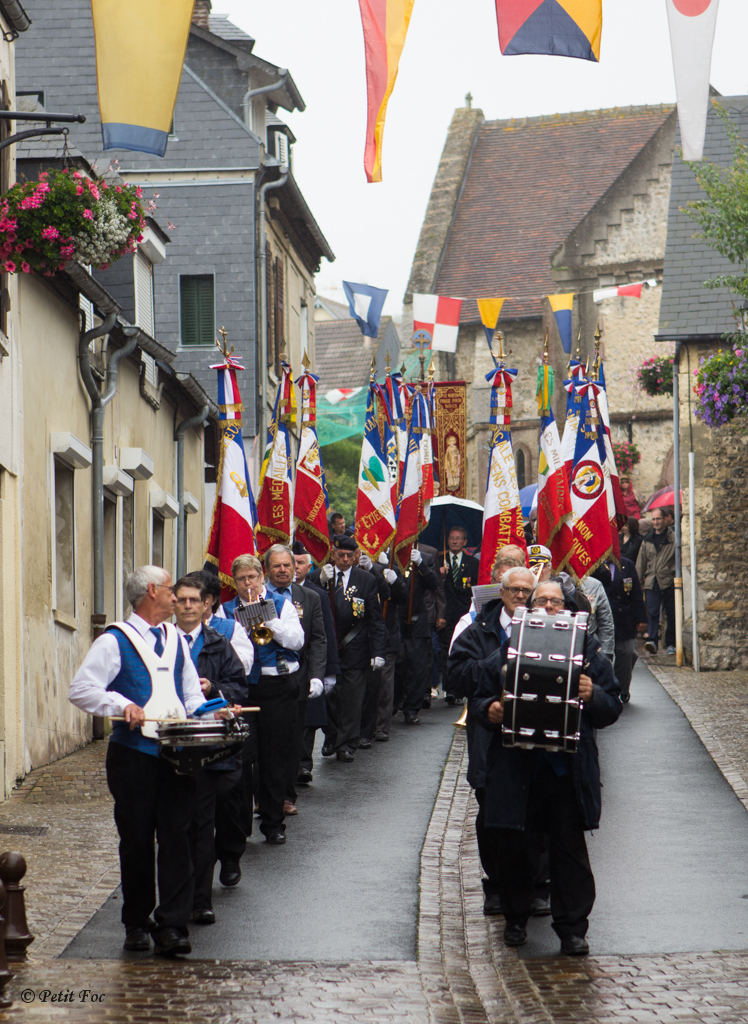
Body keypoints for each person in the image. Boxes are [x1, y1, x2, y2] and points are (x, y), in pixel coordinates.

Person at [69, 566, 222, 957]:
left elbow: (190, 699)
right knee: (136, 840)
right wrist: (122, 704)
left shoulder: (175, 639)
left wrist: (214, 713)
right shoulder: (114, 640)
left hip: (176, 754)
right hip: (132, 757)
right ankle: (136, 922)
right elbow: (82, 689)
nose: (177, 599)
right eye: (171, 591)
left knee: (176, 838)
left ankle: (172, 926)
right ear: (153, 591)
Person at [470, 579, 622, 956]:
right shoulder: (509, 646)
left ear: (568, 609)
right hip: (517, 768)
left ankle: (572, 929)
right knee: (515, 849)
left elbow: (613, 705)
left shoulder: (586, 649)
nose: (549, 608)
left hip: (565, 772)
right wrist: (489, 710)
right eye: (542, 601)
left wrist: (595, 694)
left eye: (556, 602)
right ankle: (516, 919)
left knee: (568, 852)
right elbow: (477, 696)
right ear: (529, 610)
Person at [449, 562, 552, 919]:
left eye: (528, 592)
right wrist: (503, 656)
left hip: (538, 735)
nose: (521, 597)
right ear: (502, 593)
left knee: (539, 810)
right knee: (491, 815)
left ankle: (538, 887)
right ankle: (496, 886)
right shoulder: (478, 628)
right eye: (515, 591)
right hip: (491, 737)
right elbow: (457, 677)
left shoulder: (550, 625)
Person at [172, 576, 247, 923]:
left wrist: (213, 686)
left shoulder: (219, 643)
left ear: (206, 605)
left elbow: (240, 688)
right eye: (181, 600)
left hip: (206, 747)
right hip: (170, 745)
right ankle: (175, 898)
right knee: (174, 828)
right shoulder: (161, 642)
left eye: (194, 600)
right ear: (173, 604)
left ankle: (201, 901)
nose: (187, 606)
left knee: (203, 828)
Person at [223, 552, 305, 844]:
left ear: (262, 578)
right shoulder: (226, 610)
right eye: (242, 579)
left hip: (277, 686)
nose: (248, 584)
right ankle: (240, 823)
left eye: (253, 578)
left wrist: (270, 621)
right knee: (243, 757)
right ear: (235, 582)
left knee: (274, 756)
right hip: (243, 689)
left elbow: (297, 641)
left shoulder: (281, 605)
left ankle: (273, 823)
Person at [319, 534, 387, 761]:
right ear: (333, 554)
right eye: (341, 555)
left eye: (350, 555)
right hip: (327, 647)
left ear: (356, 555)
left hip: (355, 647)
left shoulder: (366, 579)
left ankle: (347, 744)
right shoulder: (322, 576)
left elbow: (375, 619)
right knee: (327, 698)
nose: (345, 559)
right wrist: (318, 581)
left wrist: (378, 651)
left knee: (351, 700)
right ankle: (332, 736)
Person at [293, 546, 340, 786]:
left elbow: (325, 636)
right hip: (284, 668)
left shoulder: (316, 594)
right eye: (292, 562)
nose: (295, 567)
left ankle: (303, 764)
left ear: (309, 567)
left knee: (309, 718)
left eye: (300, 562)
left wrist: (327, 672)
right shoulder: (270, 594)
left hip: (309, 666)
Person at [361, 552, 408, 743]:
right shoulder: (355, 570)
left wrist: (395, 581)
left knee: (384, 685)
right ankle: (363, 725)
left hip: (387, 636)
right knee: (363, 685)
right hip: (362, 638)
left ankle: (381, 726)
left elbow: (402, 598)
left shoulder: (391, 569)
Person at [595, 557, 647, 704]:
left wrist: (641, 619)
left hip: (624, 619)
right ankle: (605, 690)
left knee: (628, 653)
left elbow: (636, 592)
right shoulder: (594, 564)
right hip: (602, 619)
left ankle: (623, 688)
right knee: (602, 657)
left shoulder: (626, 564)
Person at [396, 547, 439, 724]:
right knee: (397, 668)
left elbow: (434, 584)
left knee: (417, 668)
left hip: (417, 622)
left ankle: (412, 709)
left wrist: (421, 564)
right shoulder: (391, 557)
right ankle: (394, 704)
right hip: (395, 622)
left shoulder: (426, 559)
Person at [438, 526, 480, 704]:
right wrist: (441, 576)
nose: (455, 541)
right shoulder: (440, 560)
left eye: (458, 538)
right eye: (452, 538)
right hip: (445, 613)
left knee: (462, 649)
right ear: (447, 541)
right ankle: (449, 689)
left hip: (465, 613)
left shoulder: (473, 563)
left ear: (465, 542)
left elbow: (475, 590)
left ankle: (459, 688)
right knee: (446, 650)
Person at [636, 506, 676, 655]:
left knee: (670, 613)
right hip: (652, 580)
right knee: (652, 612)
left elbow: (679, 558)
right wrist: (638, 583)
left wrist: (675, 575)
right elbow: (641, 562)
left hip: (669, 580)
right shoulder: (647, 540)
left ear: (665, 519)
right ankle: (652, 640)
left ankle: (670, 643)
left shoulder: (673, 538)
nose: (656, 522)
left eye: (658, 518)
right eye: (653, 519)